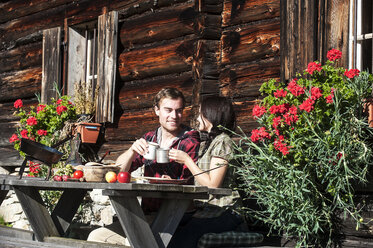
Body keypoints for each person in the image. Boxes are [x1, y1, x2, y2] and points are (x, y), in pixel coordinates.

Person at [87, 87, 200, 245]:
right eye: (168, 110)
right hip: (147, 215)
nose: (174, 116)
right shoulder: (149, 138)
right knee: (96, 237)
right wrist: (132, 150)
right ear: (157, 110)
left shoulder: (190, 140)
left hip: (176, 216)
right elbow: (119, 170)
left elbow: (191, 184)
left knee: (133, 242)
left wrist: (172, 183)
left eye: (179, 111)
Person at [167, 96, 243, 248]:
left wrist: (187, 160)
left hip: (224, 211)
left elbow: (213, 184)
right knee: (167, 230)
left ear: (211, 115)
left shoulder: (223, 141)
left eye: (201, 113)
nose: (197, 117)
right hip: (206, 210)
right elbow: (201, 178)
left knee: (180, 240)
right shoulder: (208, 143)